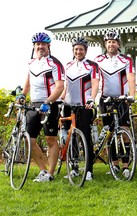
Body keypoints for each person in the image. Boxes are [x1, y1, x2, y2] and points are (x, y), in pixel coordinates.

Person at [17, 32, 65, 182]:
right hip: (34, 105)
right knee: (29, 140)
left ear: (48, 46)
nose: (40, 47)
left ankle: (50, 174)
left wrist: (48, 102)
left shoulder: (55, 63)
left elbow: (60, 87)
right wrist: (22, 95)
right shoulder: (31, 63)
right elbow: (28, 81)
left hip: (50, 104)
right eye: (37, 44)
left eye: (43, 44)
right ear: (34, 46)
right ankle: (43, 170)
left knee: (51, 139)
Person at [93, 30, 136, 178]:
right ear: (105, 44)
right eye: (108, 42)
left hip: (121, 99)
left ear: (119, 44)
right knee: (110, 133)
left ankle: (125, 165)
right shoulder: (98, 59)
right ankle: (114, 164)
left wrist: (132, 95)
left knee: (124, 131)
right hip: (105, 99)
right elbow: (95, 79)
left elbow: (131, 78)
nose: (111, 44)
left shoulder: (126, 60)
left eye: (114, 42)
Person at [60, 37, 99, 181]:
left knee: (85, 137)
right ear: (73, 50)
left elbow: (95, 83)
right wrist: (61, 98)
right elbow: (66, 86)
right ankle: (74, 167)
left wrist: (92, 98)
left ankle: (89, 170)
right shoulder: (68, 65)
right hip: (69, 106)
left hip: (84, 106)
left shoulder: (92, 66)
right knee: (71, 138)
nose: (78, 51)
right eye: (76, 49)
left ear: (85, 51)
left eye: (81, 49)